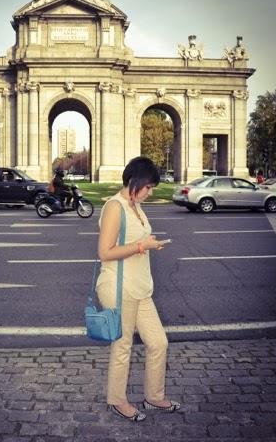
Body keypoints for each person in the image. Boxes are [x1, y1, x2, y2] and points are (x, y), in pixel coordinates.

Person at [96, 156, 180, 422]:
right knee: (122, 347)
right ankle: (117, 401)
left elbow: (135, 239)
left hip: (141, 288)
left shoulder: (135, 206)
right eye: (149, 187)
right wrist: (143, 246)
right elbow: (104, 252)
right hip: (119, 287)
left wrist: (148, 241)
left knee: (158, 342)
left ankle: (154, 397)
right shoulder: (115, 206)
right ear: (136, 182)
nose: (151, 192)